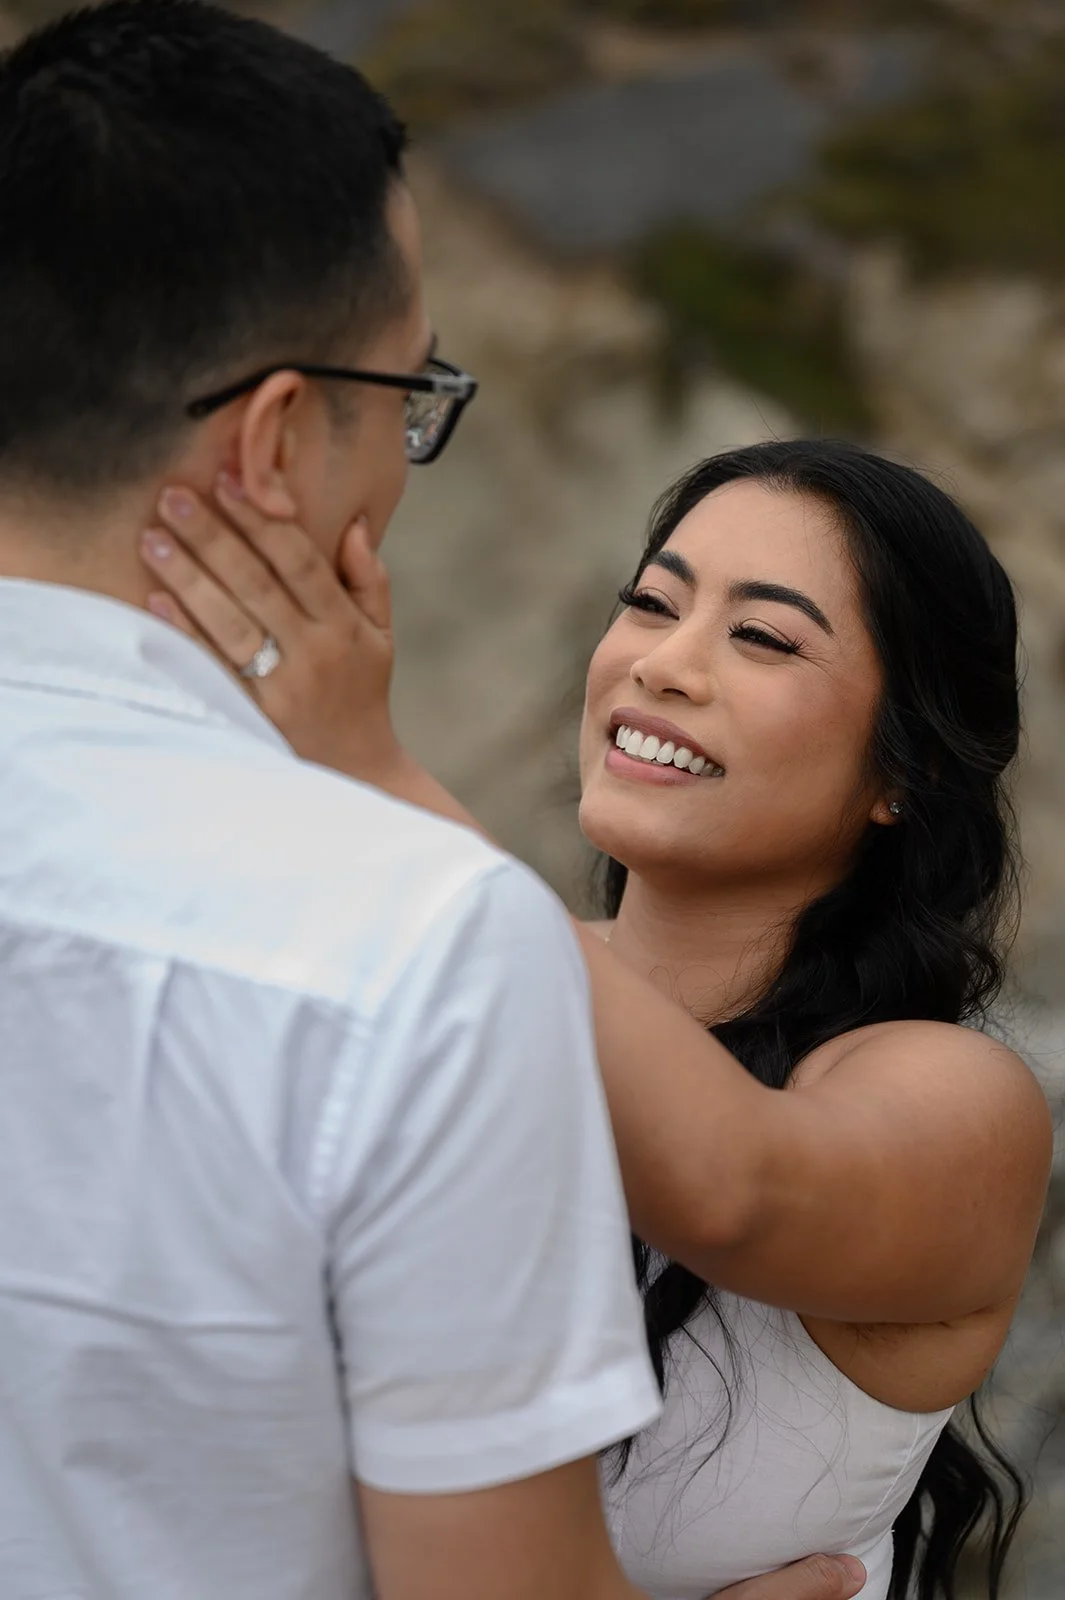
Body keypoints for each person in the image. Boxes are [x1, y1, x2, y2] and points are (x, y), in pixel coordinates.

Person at [0, 4, 873, 1599]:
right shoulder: (414, 946)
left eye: (763, 636)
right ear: (276, 437)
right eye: (407, 396)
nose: (668, 667)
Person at [141, 438, 1054, 1600]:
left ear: (905, 770)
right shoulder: (444, 970)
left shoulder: (959, 1103)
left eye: (763, 636)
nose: (663, 664)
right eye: (652, 603)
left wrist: (371, 775)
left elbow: (733, 1185)